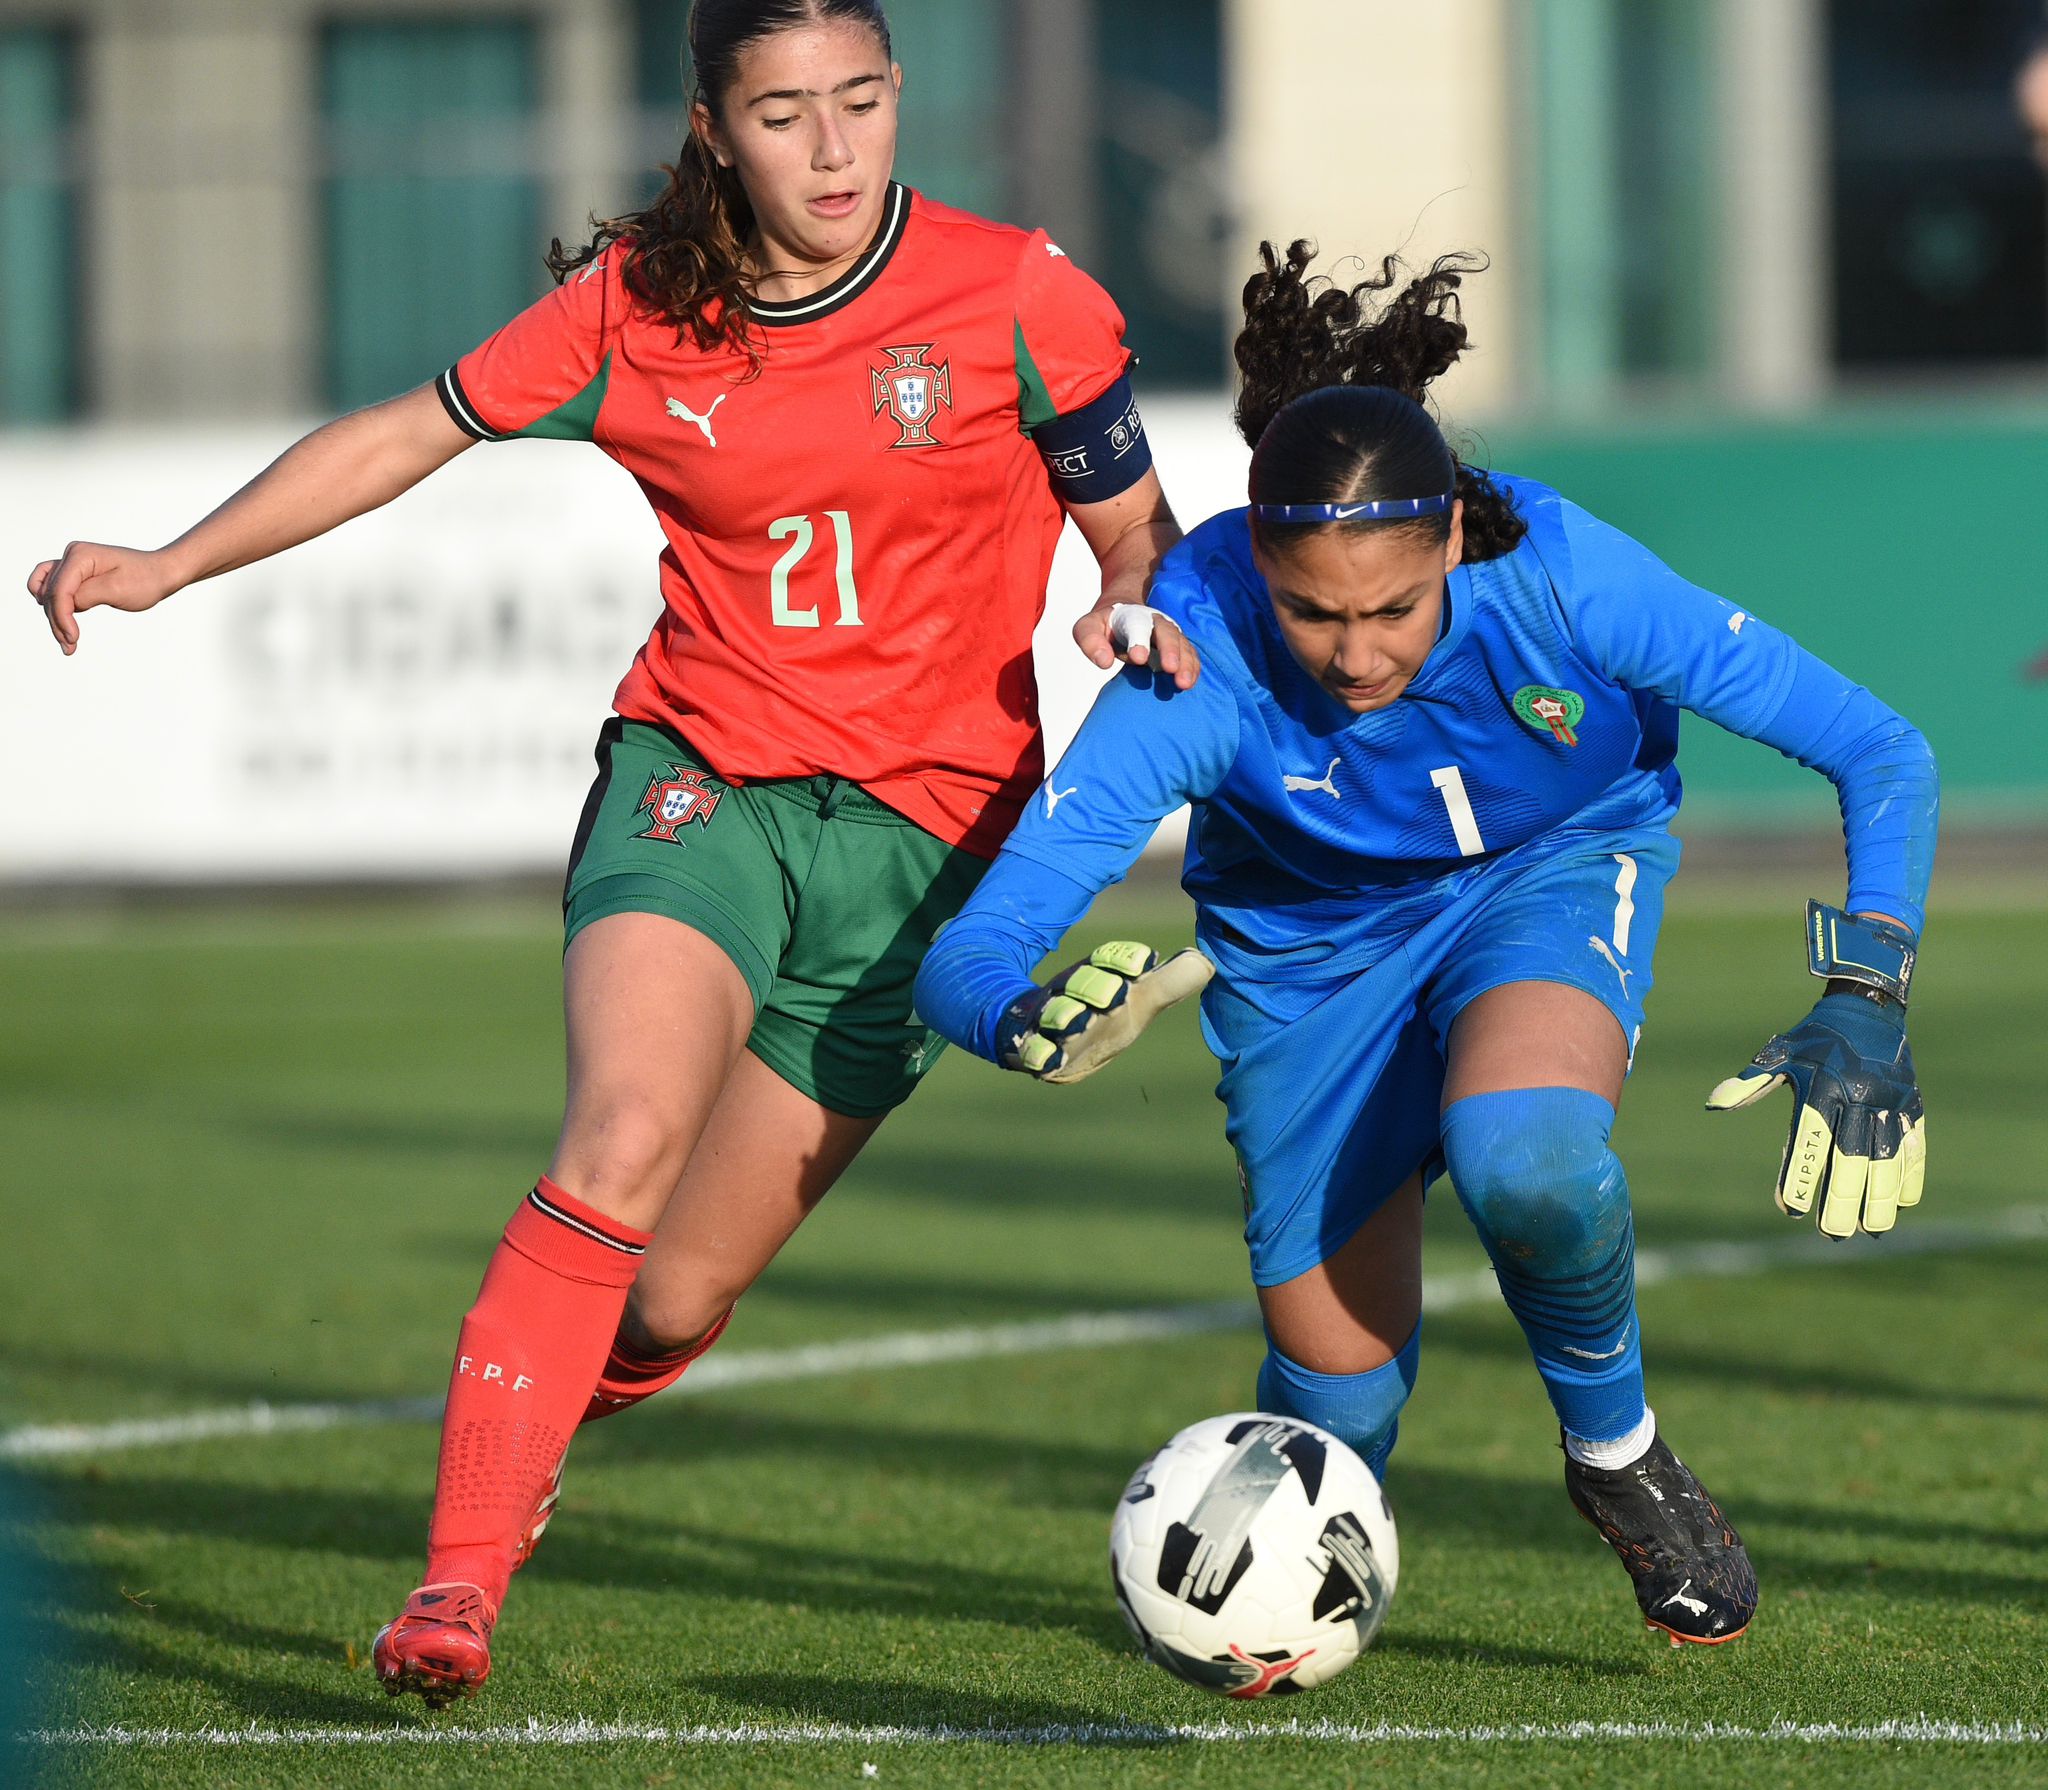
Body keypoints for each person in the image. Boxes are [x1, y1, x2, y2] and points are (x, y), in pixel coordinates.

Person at [25, 0, 1195, 1707]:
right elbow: (404, 433)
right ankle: (456, 1581)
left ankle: (543, 1417)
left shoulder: (1019, 292)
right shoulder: (635, 309)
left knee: (665, 1302)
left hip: (927, 847)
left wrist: (1135, 600)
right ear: (713, 126)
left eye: (862, 100)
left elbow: (1137, 532)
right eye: (784, 113)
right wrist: (169, 563)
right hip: (701, 782)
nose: (835, 149)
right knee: (624, 1131)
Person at [914, 241, 1938, 1660]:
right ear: (1256, 563)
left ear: (1452, 536)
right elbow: (970, 949)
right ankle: (1273, 1594)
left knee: (1527, 1153)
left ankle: (1616, 1453)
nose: (1355, 656)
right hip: (1303, 953)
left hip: (1550, 870)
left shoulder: (1565, 575)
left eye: (1391, 608)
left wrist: (1869, 983)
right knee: (1337, 1389)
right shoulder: (1195, 648)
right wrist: (1021, 1016)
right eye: (1311, 612)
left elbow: (1882, 749)